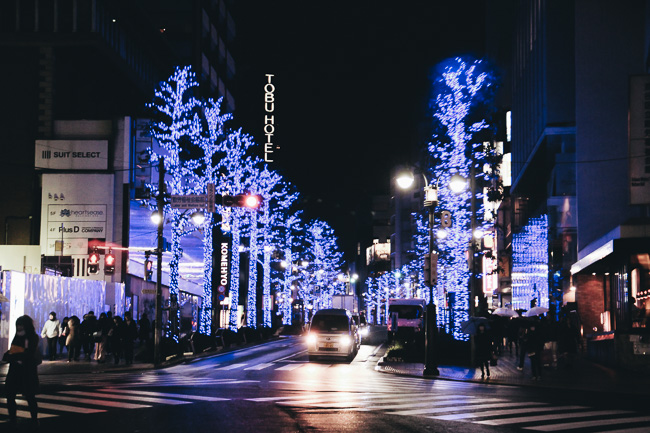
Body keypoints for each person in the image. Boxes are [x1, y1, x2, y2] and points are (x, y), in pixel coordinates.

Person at [3, 315, 40, 424]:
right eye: (18, 325)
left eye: (21, 325)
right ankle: (12, 418)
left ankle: (34, 419)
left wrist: (13, 355)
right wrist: (10, 354)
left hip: (27, 370)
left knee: (29, 396)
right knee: (10, 395)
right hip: (15, 369)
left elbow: (29, 353)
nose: (18, 327)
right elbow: (14, 350)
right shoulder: (18, 336)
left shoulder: (32, 337)